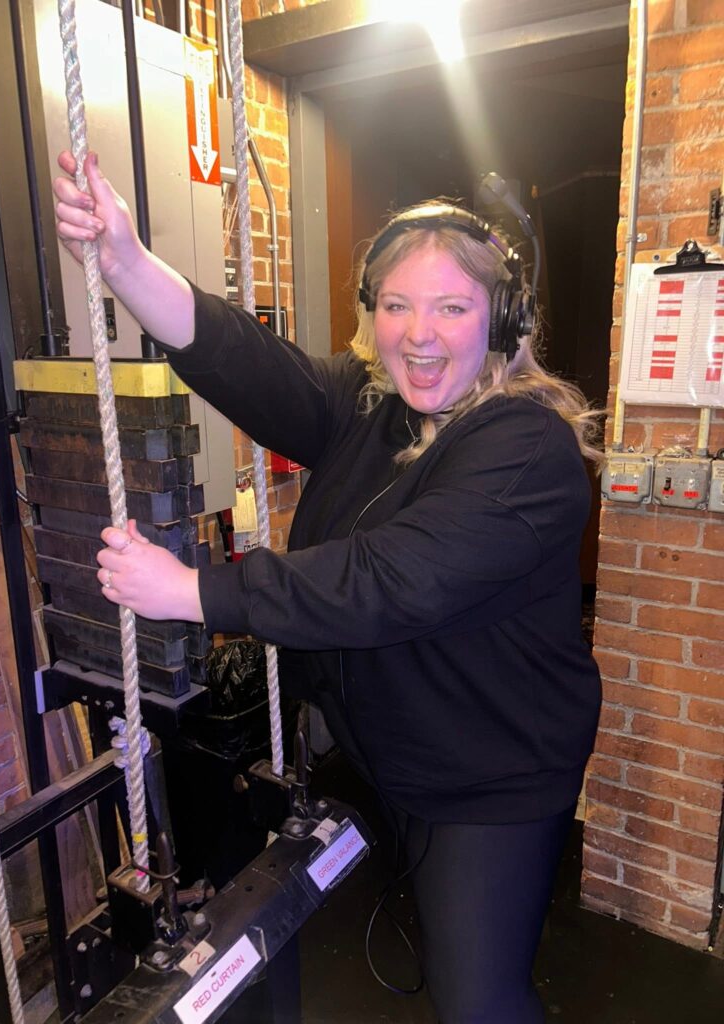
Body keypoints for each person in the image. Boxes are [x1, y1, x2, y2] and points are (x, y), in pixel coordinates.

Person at [53, 150, 602, 1024]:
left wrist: (194, 590)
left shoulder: (526, 449)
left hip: (491, 776)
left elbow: (390, 579)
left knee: (479, 998)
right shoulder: (375, 408)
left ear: (503, 322)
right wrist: (124, 262)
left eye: (451, 308)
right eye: (396, 305)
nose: (418, 334)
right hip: (410, 753)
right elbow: (250, 363)